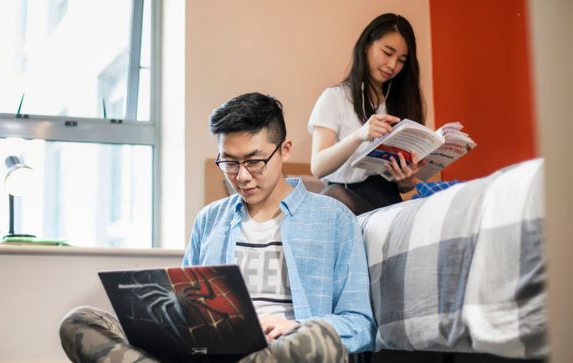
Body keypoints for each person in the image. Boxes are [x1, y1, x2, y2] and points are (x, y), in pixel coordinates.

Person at [59, 93, 375, 363]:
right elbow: (184, 311)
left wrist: (296, 325)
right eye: (230, 163)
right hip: (209, 352)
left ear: (285, 149)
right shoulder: (210, 220)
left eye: (255, 161)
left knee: (319, 338)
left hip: (281, 352)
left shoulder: (334, 219)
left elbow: (361, 325)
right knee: (79, 322)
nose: (242, 176)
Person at [308, 13, 425, 215]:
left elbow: (405, 188)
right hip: (345, 196)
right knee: (332, 198)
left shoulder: (399, 102)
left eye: (401, 60)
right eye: (387, 52)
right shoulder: (335, 98)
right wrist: (360, 135)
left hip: (388, 198)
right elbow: (318, 167)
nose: (392, 65)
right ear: (366, 45)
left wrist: (406, 179)